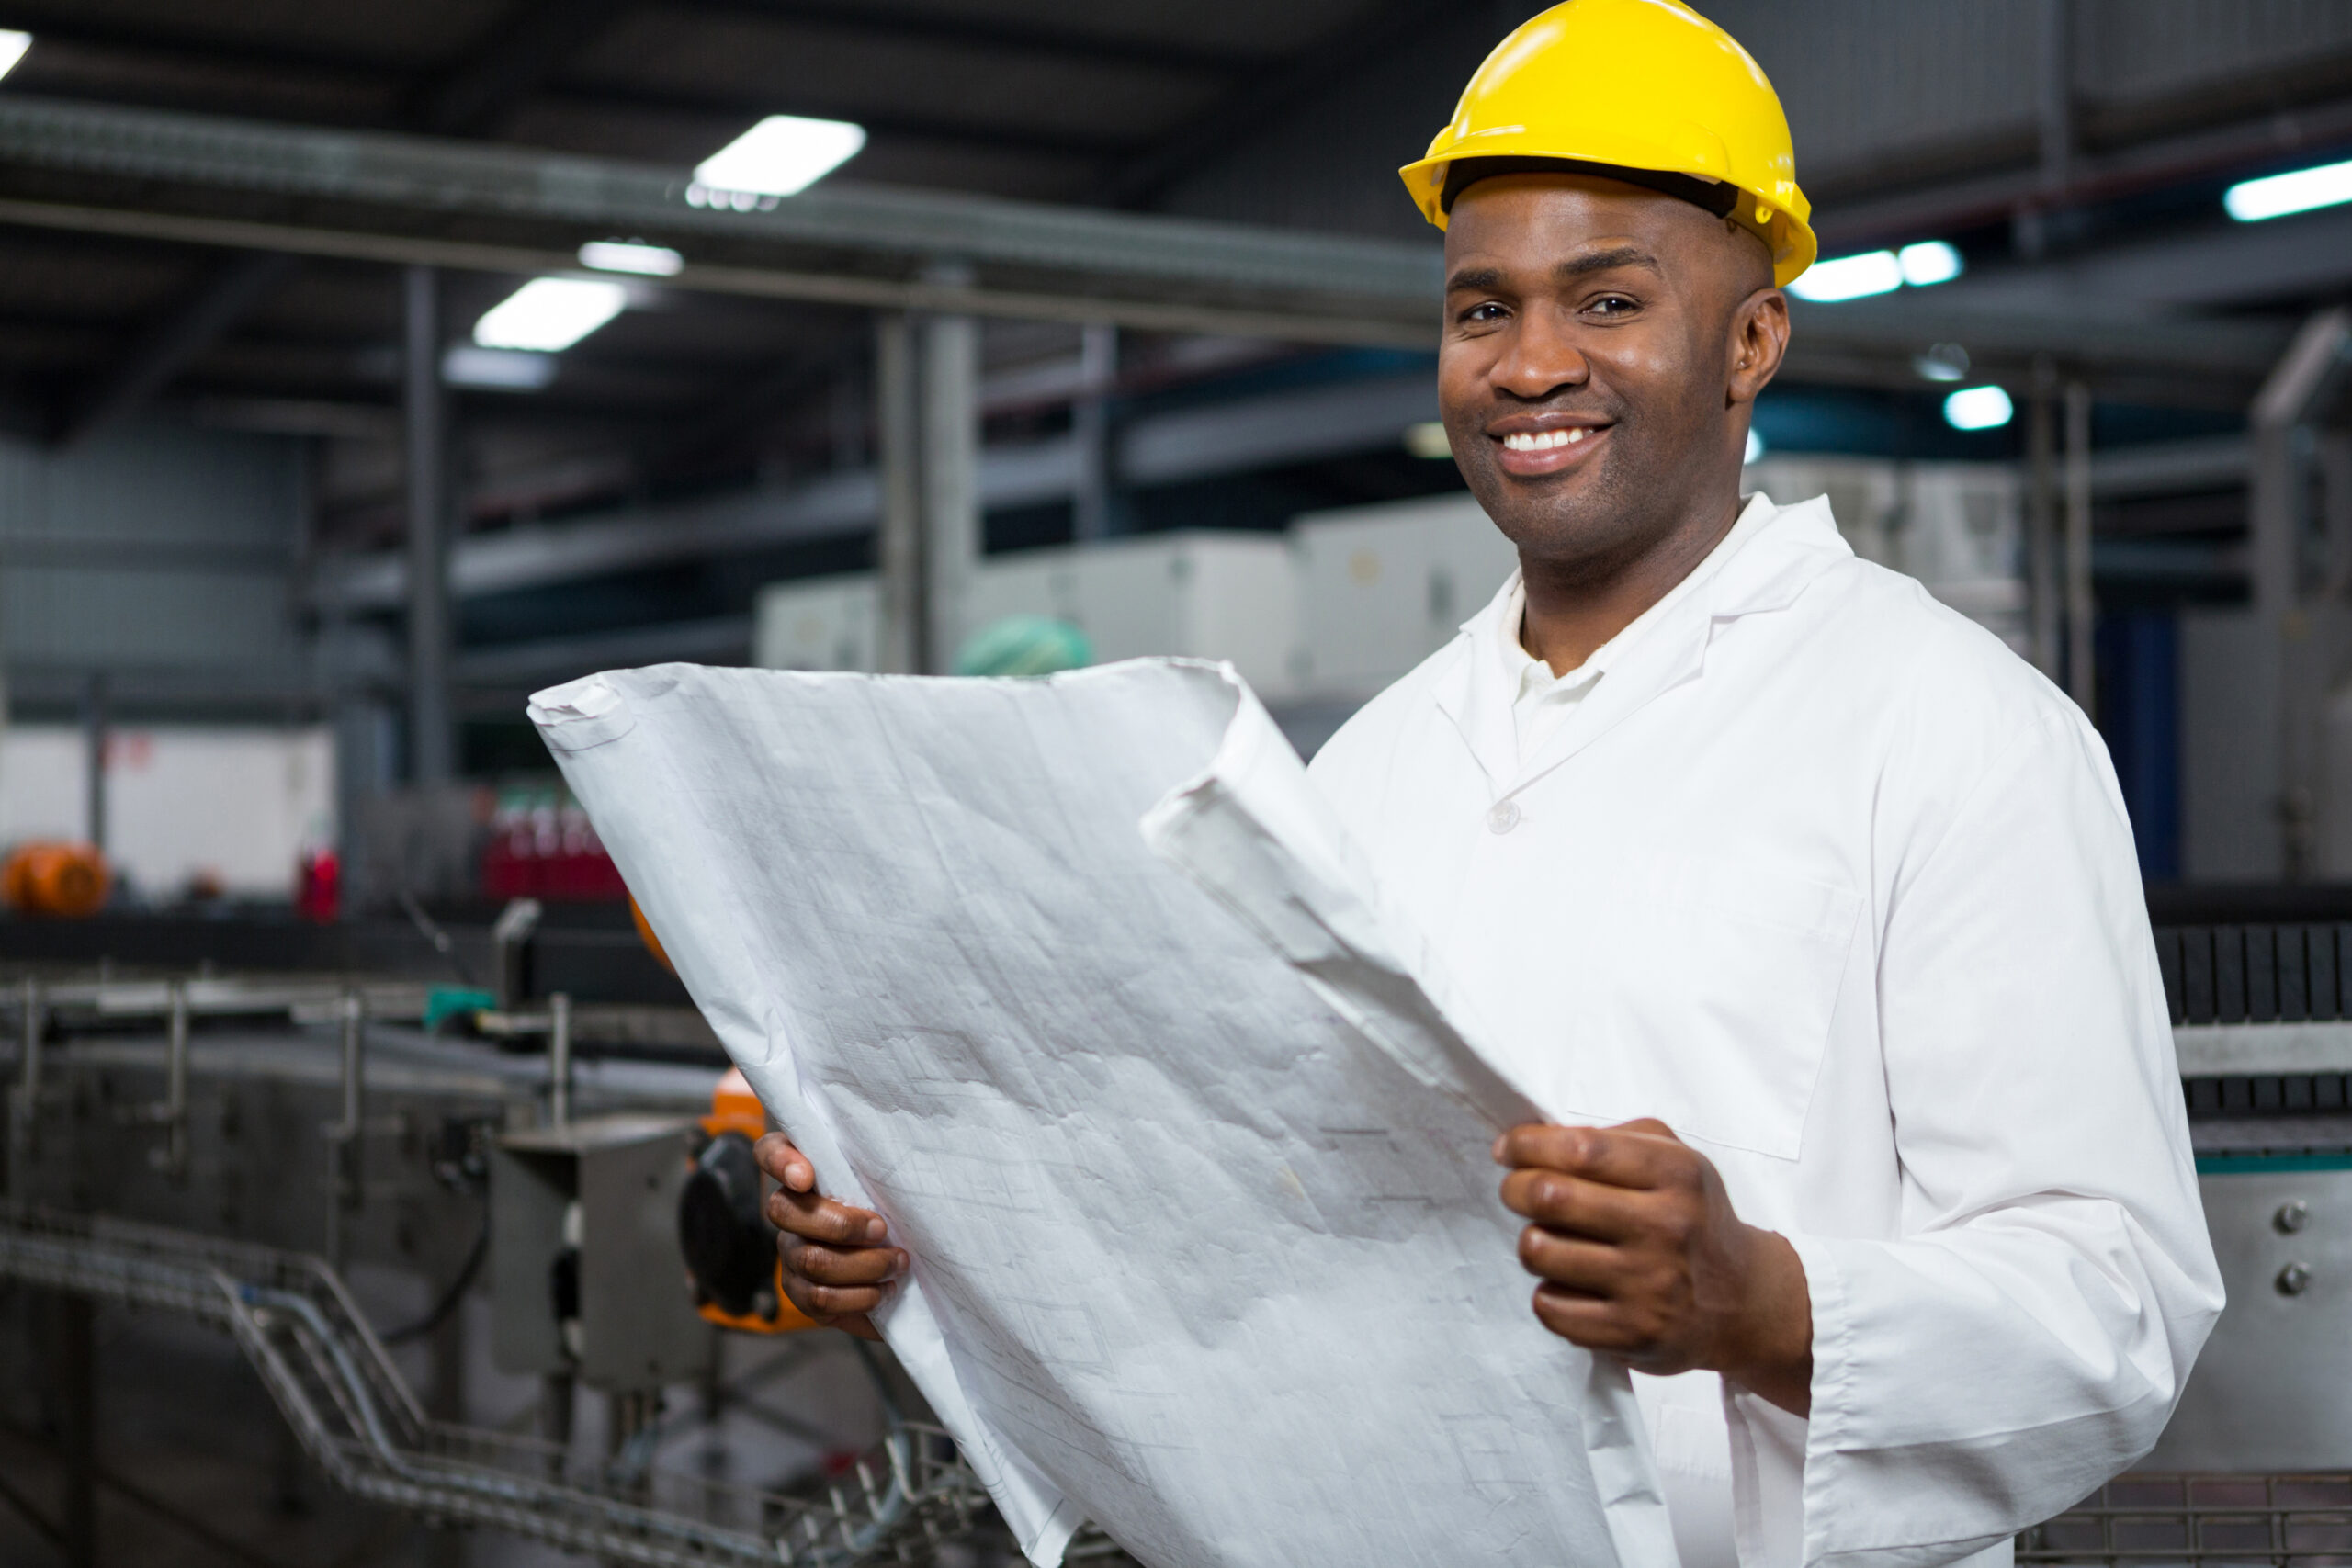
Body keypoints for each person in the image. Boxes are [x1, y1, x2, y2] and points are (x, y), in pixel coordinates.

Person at [755, 3, 2223, 1563]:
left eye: (1609, 300)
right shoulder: (1370, 768)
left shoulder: (1950, 727)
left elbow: (2116, 1304)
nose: (1532, 365)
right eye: (1481, 310)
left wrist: (1761, 1302)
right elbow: (1253, 1229)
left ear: (1751, 340)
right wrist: (928, 1252)